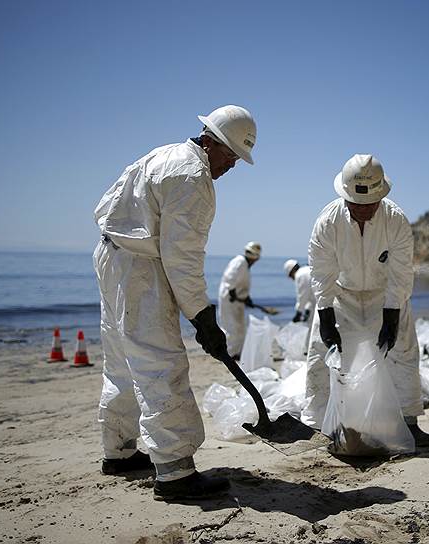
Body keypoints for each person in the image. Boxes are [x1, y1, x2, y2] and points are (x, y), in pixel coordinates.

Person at [93, 104, 256, 500]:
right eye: (232, 154)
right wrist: (203, 317)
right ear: (211, 141)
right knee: (160, 362)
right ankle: (175, 473)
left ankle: (118, 452)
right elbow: (182, 258)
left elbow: (109, 205)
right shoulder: (192, 177)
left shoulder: (163, 154)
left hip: (111, 256)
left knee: (122, 361)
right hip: (140, 268)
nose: (232, 165)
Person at [303, 154, 429, 447]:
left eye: (368, 205)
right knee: (320, 356)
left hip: (384, 292)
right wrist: (325, 314)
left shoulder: (396, 220)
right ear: (345, 196)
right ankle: (318, 424)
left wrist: (391, 314)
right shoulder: (327, 221)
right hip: (340, 292)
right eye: (355, 204)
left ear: (381, 197)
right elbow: (321, 270)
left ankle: (409, 422)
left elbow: (400, 273)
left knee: (402, 352)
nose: (362, 210)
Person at [218, 242, 262, 359]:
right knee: (230, 326)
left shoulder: (245, 265)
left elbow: (242, 283)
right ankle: (230, 353)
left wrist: (247, 298)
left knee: (240, 326)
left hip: (238, 300)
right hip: (230, 299)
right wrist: (232, 292)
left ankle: (238, 352)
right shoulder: (240, 261)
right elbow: (230, 277)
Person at [283, 259, 315, 323]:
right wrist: (308, 309)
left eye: (290, 276)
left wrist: (298, 312)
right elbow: (310, 293)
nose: (292, 279)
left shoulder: (300, 274)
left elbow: (302, 295)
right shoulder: (307, 269)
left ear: (292, 271)